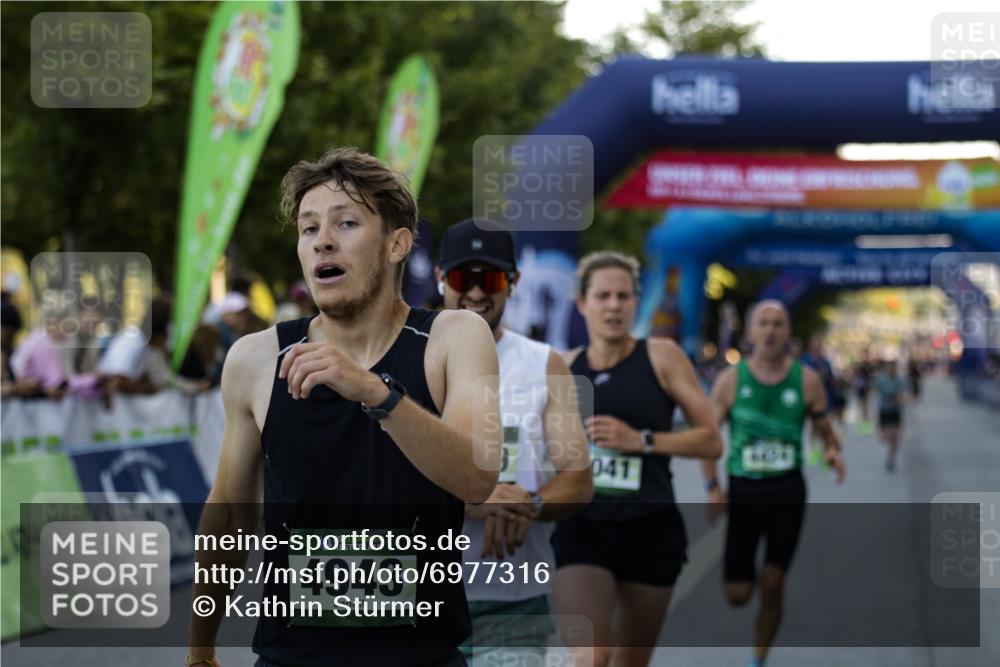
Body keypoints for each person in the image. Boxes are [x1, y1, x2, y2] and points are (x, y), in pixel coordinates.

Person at [187, 147, 501, 667]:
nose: (322, 241)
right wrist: (200, 651)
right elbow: (229, 517)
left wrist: (376, 392)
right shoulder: (255, 359)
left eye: (346, 223)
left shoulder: (453, 337)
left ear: (397, 244)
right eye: (308, 229)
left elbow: (476, 478)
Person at [550, 251, 723, 667]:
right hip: (581, 528)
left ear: (635, 302)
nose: (614, 305)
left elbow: (711, 441)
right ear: (582, 303)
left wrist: (642, 440)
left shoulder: (662, 357)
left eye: (623, 296)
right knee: (592, 656)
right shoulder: (562, 367)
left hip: (650, 528)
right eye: (603, 296)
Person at [436, 219, 593, 665]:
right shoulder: (407, 353)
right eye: (464, 277)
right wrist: (476, 499)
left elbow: (579, 481)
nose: (476, 291)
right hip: (418, 599)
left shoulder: (543, 364)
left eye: (491, 279)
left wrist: (529, 504)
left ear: (513, 282)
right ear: (441, 278)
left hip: (512, 601)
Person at [703, 300, 845, 667]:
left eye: (778, 324)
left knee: (773, 581)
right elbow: (708, 439)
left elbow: (826, 431)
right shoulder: (730, 380)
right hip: (743, 490)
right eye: (763, 323)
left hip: (787, 490)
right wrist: (712, 487)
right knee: (737, 594)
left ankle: (759, 657)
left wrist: (832, 451)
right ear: (751, 331)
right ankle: (746, 573)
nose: (770, 330)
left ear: (788, 333)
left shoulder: (807, 381)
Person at [875, 360, 908, 472]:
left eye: (893, 368)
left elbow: (905, 394)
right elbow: (875, 391)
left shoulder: (900, 380)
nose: (891, 370)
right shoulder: (881, 380)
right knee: (886, 437)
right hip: (884, 411)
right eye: (889, 368)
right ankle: (886, 439)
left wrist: (900, 399)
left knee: (896, 438)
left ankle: (891, 459)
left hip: (895, 411)